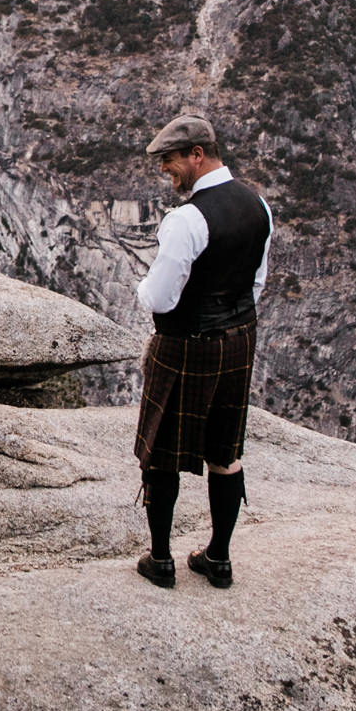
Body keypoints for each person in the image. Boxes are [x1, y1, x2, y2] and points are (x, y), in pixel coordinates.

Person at [131, 111, 272, 591]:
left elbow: (162, 297)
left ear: (197, 155)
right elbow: (257, 283)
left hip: (185, 343)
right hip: (239, 339)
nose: (164, 170)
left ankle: (161, 559)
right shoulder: (259, 207)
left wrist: (139, 289)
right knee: (225, 450)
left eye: (169, 160)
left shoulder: (186, 220)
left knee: (162, 451)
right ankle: (219, 558)